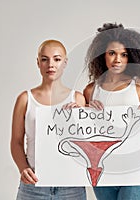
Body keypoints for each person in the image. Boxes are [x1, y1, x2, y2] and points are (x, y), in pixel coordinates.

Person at [83, 22, 140, 200]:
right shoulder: (90, 90)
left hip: (134, 171)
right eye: (112, 53)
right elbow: (85, 132)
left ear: (131, 57)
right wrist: (86, 112)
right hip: (103, 171)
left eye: (123, 54)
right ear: (103, 55)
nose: (117, 59)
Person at [10, 39, 87, 200]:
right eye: (44, 59)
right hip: (34, 184)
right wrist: (23, 168)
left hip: (71, 185)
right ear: (38, 63)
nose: (50, 64)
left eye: (57, 59)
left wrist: (84, 117)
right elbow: (16, 141)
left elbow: (85, 144)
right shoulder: (25, 99)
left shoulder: (78, 98)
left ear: (65, 63)